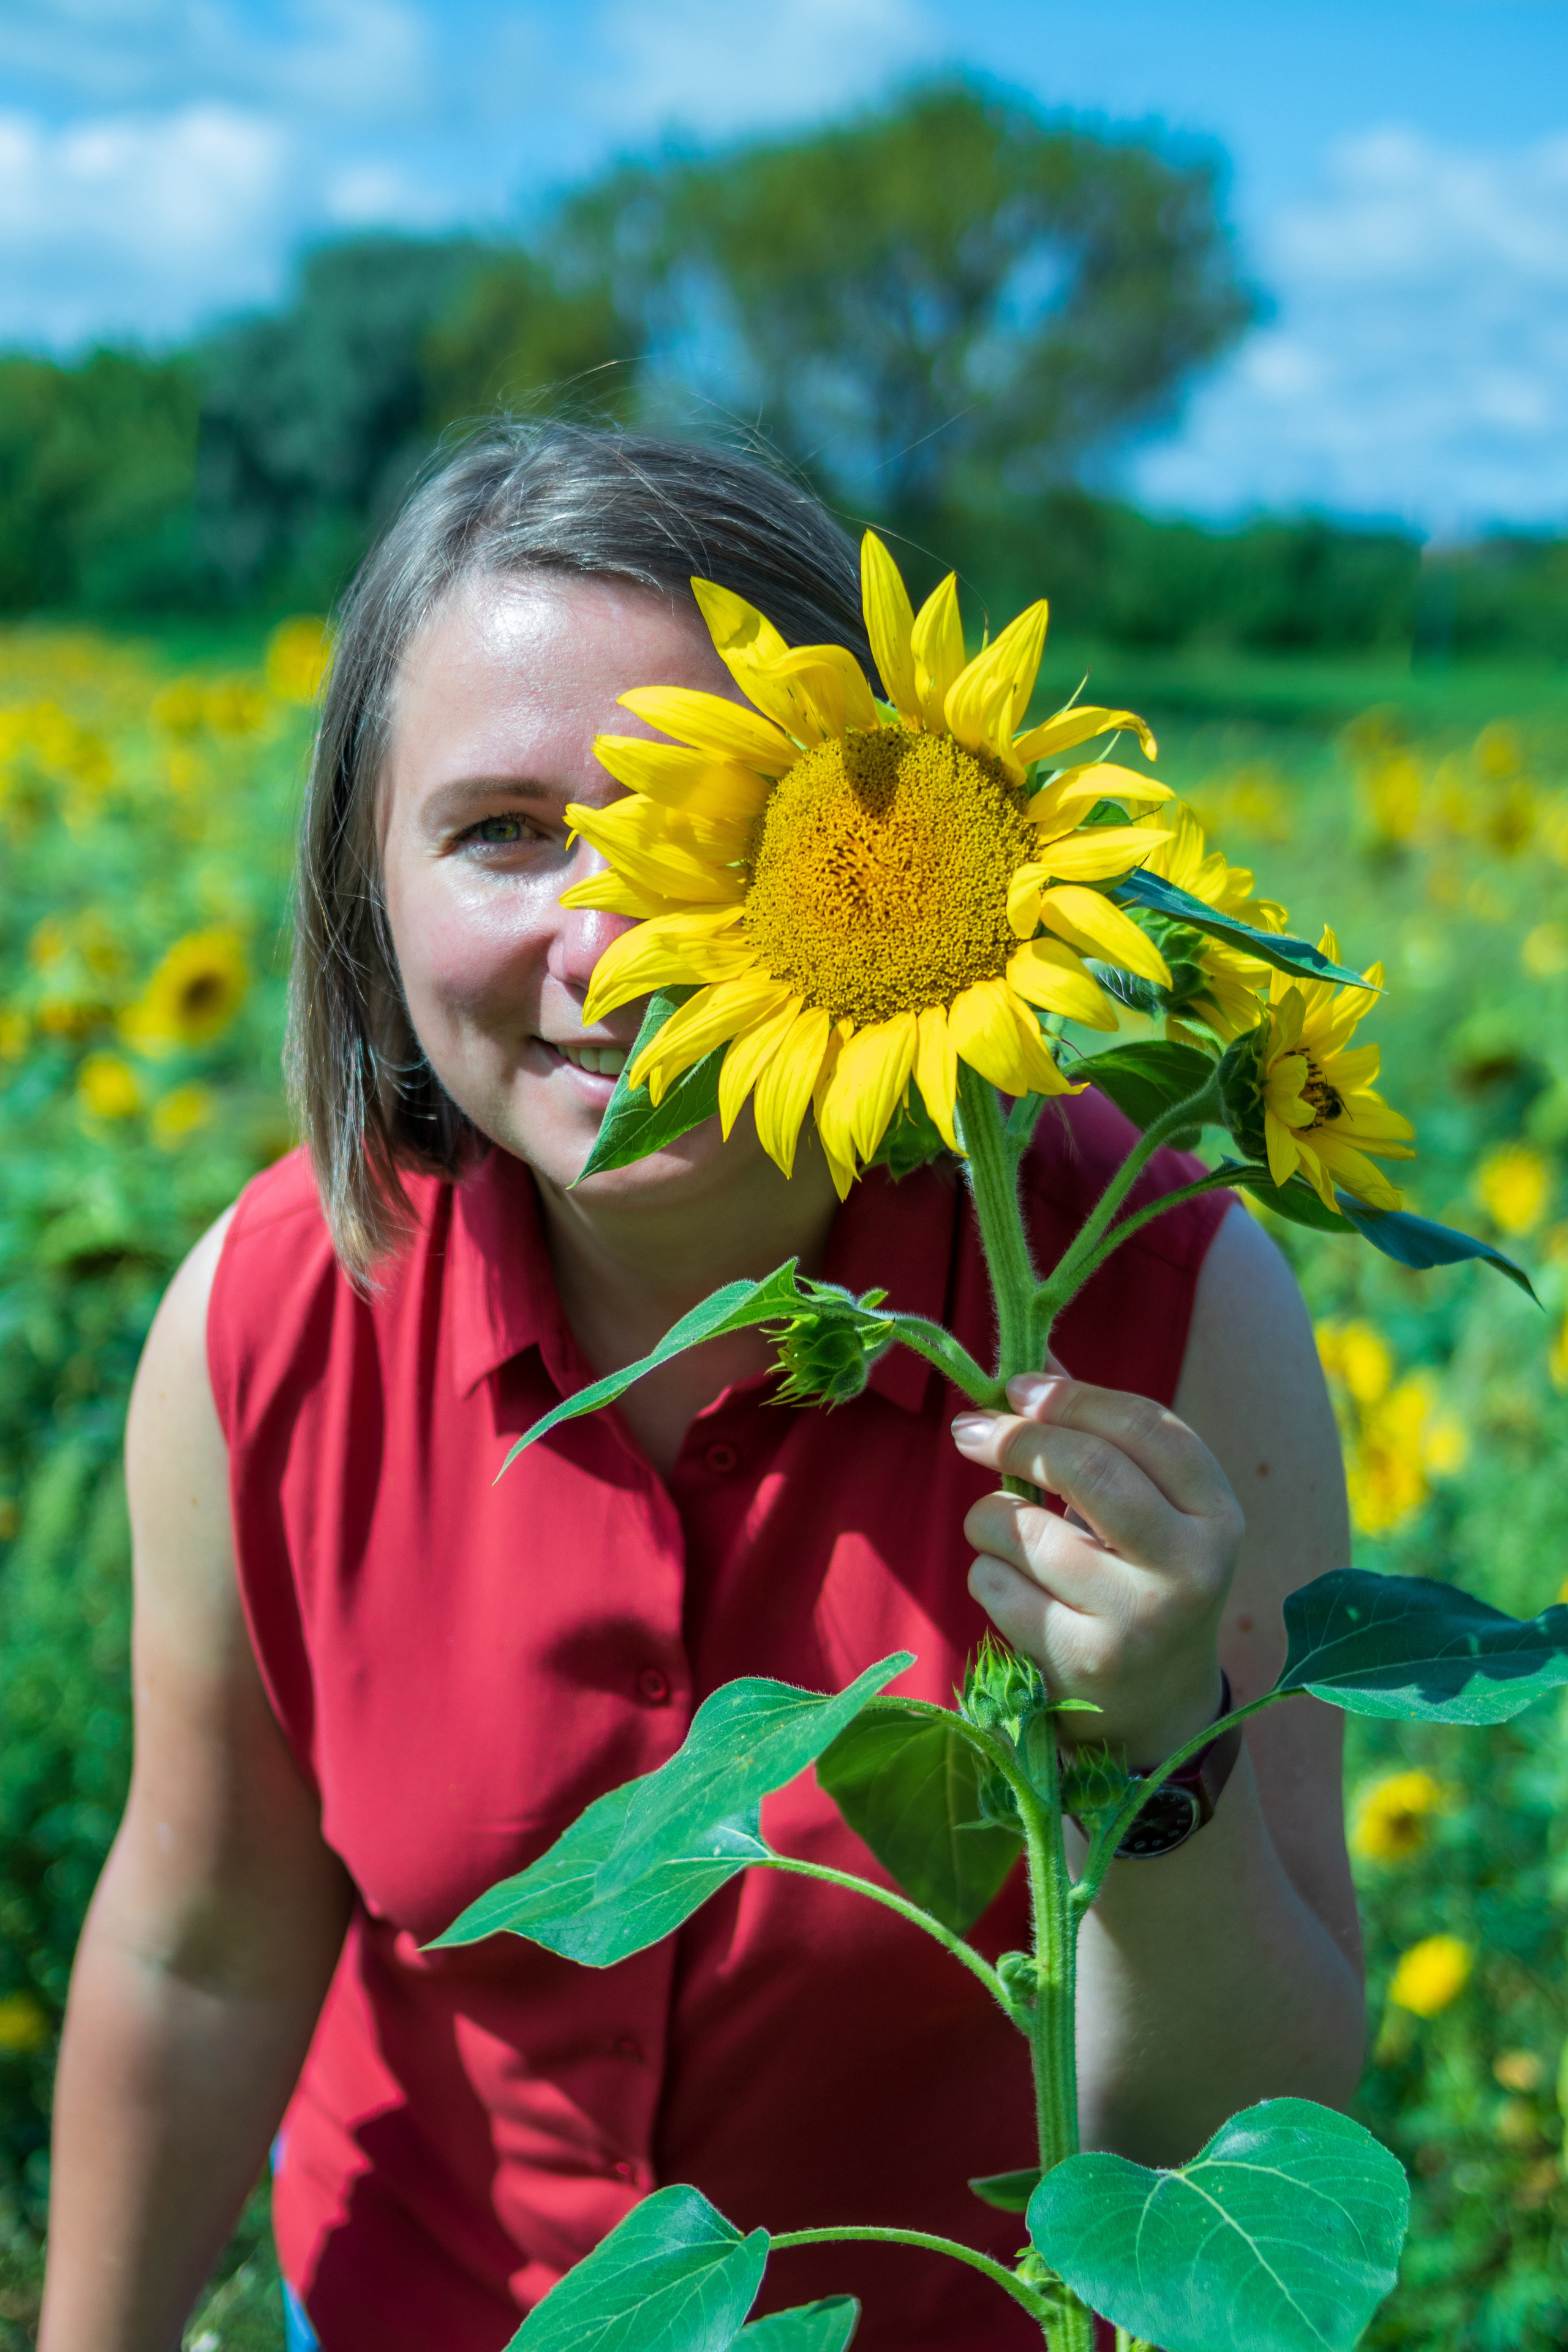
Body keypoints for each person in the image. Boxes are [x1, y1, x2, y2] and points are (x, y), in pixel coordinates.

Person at [38, 428, 1363, 2352]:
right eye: (501, 831)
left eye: (719, 834)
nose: (621, 935)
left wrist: (1163, 1751)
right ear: (365, 893)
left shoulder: (1150, 1309)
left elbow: (1241, 2145)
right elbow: (202, 1942)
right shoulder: (275, 1322)